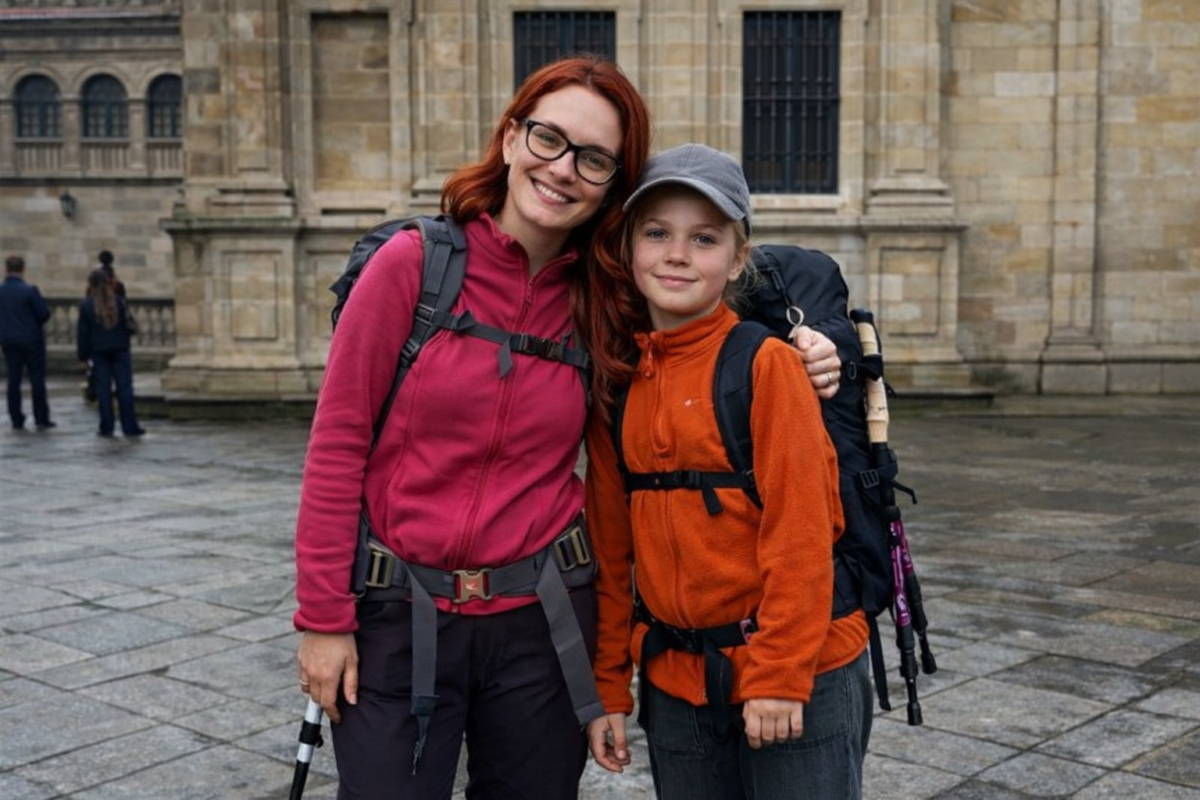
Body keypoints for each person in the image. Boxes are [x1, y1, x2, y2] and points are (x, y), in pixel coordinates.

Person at [293, 56, 842, 800]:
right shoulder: (411, 267)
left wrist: (816, 341)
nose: (563, 170)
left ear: (613, 182)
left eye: (594, 159)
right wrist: (323, 619)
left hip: (541, 629)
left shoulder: (604, 298)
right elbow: (335, 450)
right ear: (512, 136)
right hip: (400, 616)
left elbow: (700, 312)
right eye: (549, 139)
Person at [583, 145, 872, 800]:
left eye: (704, 238)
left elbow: (802, 533)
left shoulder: (765, 365)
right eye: (657, 233)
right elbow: (610, 550)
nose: (677, 253)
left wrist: (776, 676)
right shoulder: (618, 383)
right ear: (630, 248)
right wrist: (608, 685)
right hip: (678, 687)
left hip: (799, 675)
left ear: (737, 258)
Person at [77, 268, 144, 438]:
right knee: (125, 389)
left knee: (103, 390)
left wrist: (83, 356)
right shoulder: (119, 302)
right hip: (120, 349)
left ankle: (106, 427)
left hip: (99, 352)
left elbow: (83, 334)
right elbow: (129, 326)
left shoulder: (86, 306)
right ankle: (130, 426)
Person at [0, 255, 55, 431]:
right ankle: (41, 417)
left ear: (6, 269)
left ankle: (16, 418)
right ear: (22, 270)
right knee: (37, 379)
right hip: (32, 340)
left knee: (13, 380)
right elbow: (43, 314)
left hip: (9, 340)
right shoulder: (30, 290)